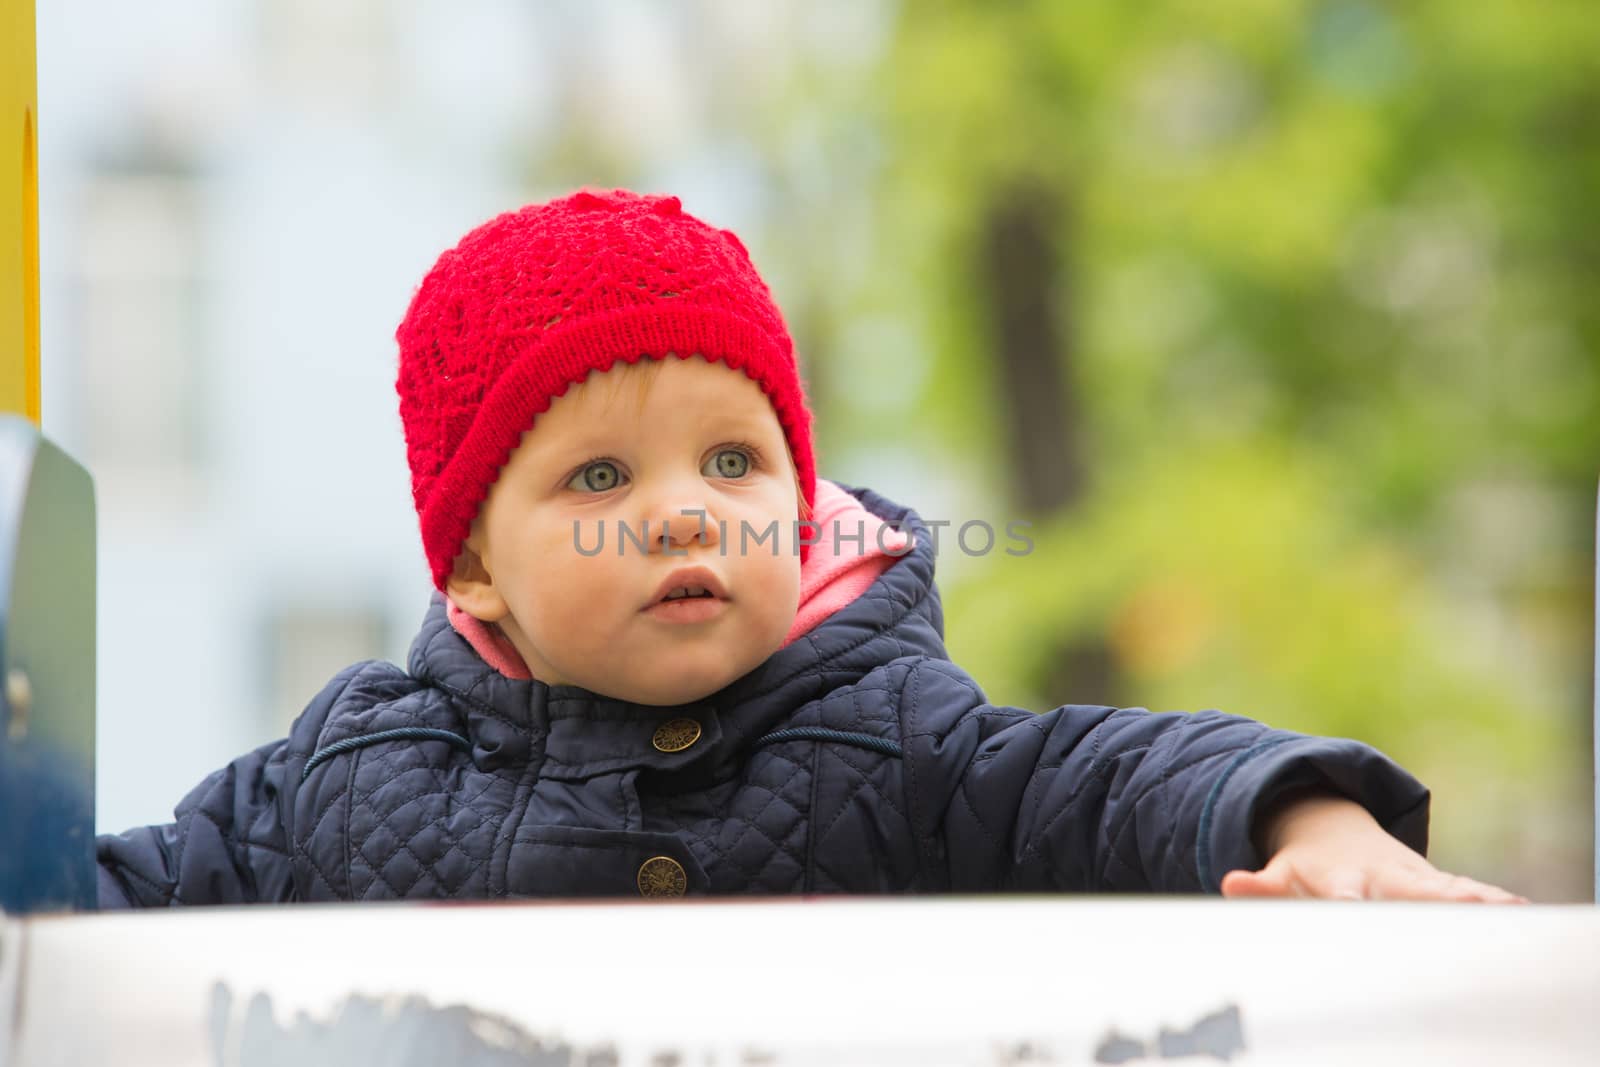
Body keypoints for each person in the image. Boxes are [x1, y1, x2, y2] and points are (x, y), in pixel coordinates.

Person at [96, 188, 1525, 906]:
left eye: (735, 460)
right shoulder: (350, 778)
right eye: (601, 473)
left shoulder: (898, 738)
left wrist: (1308, 821)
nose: (687, 510)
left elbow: (1111, 777)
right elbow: (110, 897)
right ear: (473, 567)